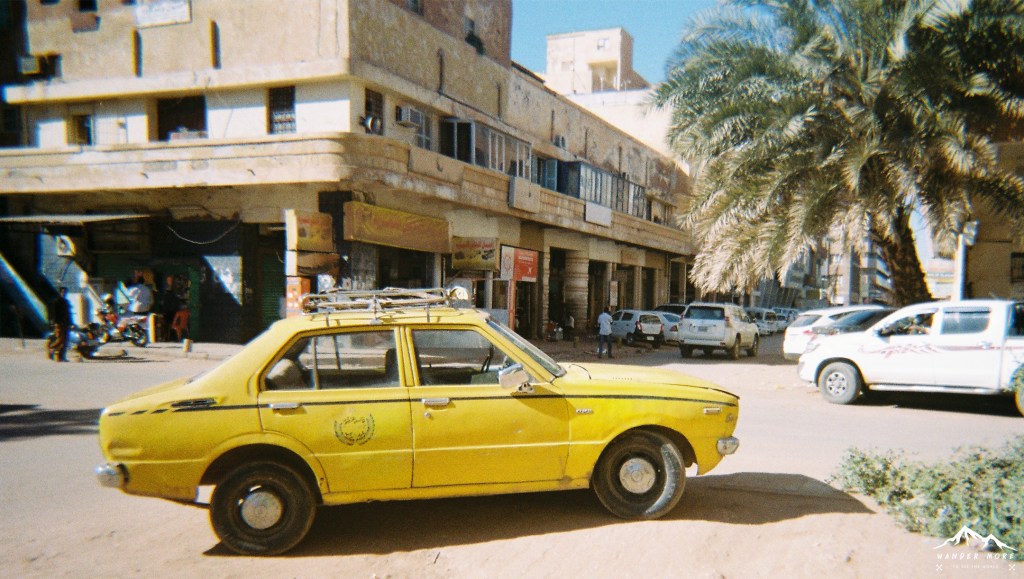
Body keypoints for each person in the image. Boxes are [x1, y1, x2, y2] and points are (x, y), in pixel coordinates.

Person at [46, 287, 72, 362]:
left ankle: (61, 356)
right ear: (60, 292)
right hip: (59, 323)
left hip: (66, 323)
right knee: (60, 339)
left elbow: (68, 314)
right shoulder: (57, 302)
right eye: (62, 292)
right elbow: (53, 313)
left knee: (65, 341)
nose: (64, 294)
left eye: (65, 292)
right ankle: (51, 348)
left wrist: (71, 322)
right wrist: (55, 322)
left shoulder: (66, 302)